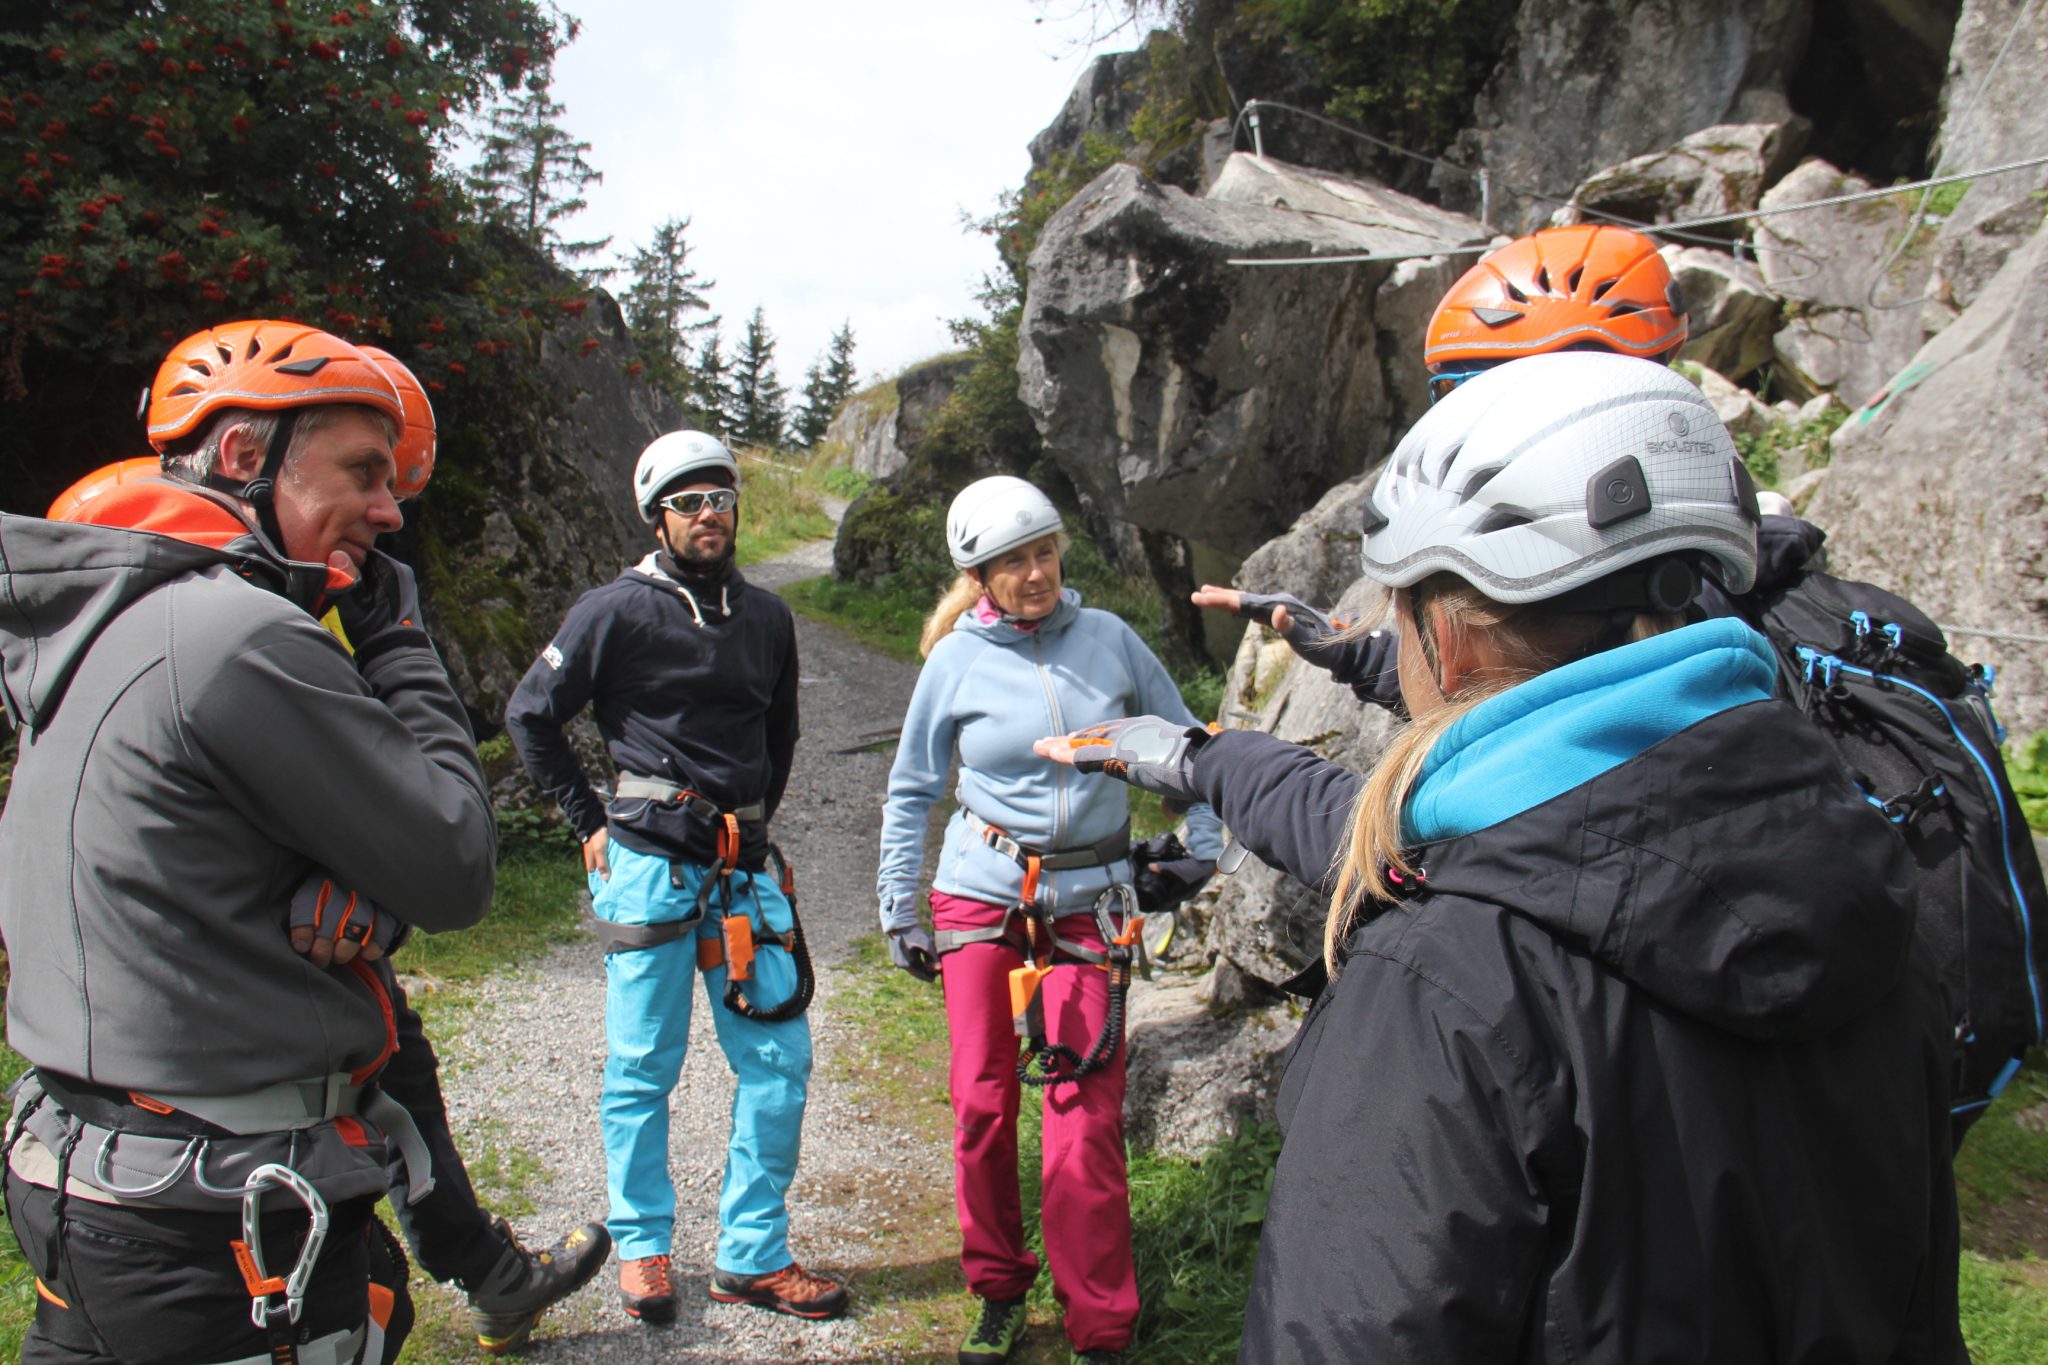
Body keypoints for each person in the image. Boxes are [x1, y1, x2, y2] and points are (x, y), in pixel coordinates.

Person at [1041, 353, 1964, 1360]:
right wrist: (1220, 758)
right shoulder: (1859, 867)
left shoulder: (1447, 986)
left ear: (1447, 636)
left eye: (1395, 616)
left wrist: (1205, 756)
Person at [0, 320, 498, 1365]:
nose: (389, 511)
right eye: (363, 471)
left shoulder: (108, 618)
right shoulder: (239, 637)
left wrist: (365, 882)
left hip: (94, 1176)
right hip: (216, 1214)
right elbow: (455, 858)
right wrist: (401, 643)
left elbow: (191, 841)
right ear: (241, 455)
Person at [874, 475, 1225, 1365]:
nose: (1035, 573)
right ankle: (998, 1289)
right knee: (982, 1101)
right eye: (1013, 561)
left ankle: (1099, 1326)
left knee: (1085, 1110)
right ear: (979, 577)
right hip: (980, 893)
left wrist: (1203, 845)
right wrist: (897, 904)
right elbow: (913, 788)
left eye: (1044, 553)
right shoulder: (954, 660)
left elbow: (1188, 747)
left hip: (1093, 897)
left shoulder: (1109, 639)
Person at [504, 430, 846, 1326]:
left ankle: (752, 1254)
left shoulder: (766, 618)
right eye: (688, 502)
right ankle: (644, 1246)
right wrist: (589, 822)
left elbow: (781, 734)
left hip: (740, 873)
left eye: (720, 498)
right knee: (643, 1064)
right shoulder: (613, 611)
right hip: (649, 867)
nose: (708, 514)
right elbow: (532, 713)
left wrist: (750, 828)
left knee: (779, 1060)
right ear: (658, 516)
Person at [1194, 221, 1690, 702]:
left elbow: (1488, 699)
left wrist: (1218, 754)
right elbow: (1495, 687)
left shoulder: (1605, 582)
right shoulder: (1675, 580)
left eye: (1472, 391)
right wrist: (1351, 652)